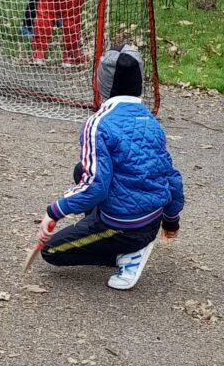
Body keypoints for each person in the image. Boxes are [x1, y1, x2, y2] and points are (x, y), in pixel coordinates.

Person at [35, 45, 183, 291]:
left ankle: (126, 254)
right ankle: (121, 240)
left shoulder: (98, 124)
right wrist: (171, 222)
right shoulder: (151, 120)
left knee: (52, 251)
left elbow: (96, 187)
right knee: (80, 170)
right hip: (152, 220)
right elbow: (172, 178)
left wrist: (54, 212)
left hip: (124, 227)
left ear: (102, 85)